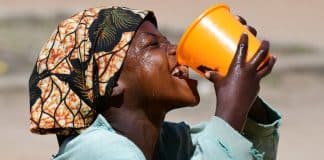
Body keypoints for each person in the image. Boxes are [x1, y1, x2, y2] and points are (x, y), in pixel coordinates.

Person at [29, 6, 281, 160]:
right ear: (111, 82)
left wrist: (244, 92)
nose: (175, 50)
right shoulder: (96, 151)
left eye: (167, 41)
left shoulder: (167, 144)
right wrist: (230, 111)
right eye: (153, 45)